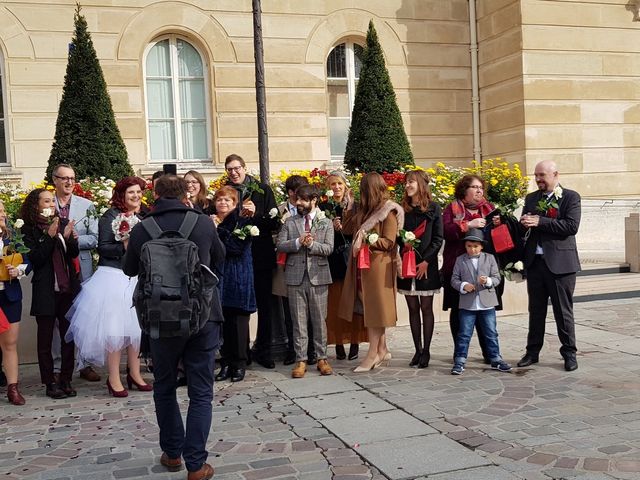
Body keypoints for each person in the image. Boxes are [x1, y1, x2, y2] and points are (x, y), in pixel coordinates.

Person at [123, 175, 224, 480]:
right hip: (202, 315)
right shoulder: (203, 224)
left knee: (164, 386)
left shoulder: (143, 228)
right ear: (185, 194)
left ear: (155, 195)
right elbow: (219, 260)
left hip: (160, 317)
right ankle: (196, 464)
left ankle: (171, 453)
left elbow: (129, 269)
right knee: (201, 391)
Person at [65, 177, 152, 397]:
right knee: (115, 330)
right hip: (113, 276)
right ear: (122, 194)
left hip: (136, 277)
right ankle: (113, 378)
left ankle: (134, 373)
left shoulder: (142, 216)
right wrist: (124, 244)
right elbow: (103, 248)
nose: (136, 196)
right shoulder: (110, 217)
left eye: (138, 192)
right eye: (131, 192)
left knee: (135, 329)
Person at [517, 160, 581, 372]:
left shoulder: (570, 197)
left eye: (542, 175)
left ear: (555, 174)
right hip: (535, 263)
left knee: (563, 311)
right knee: (535, 311)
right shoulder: (531, 198)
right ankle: (532, 352)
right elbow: (525, 225)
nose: (538, 179)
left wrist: (540, 221)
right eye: (536, 175)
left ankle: (569, 353)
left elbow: (571, 227)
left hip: (561, 264)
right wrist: (523, 222)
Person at [339, 172, 403, 372]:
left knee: (375, 311)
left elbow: (389, 242)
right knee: (370, 308)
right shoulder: (366, 211)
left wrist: (368, 239)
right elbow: (348, 229)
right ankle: (382, 349)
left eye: (363, 190)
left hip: (378, 268)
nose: (361, 194)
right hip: (363, 266)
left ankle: (372, 354)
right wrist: (349, 206)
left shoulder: (388, 211)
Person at [21, 188, 80, 399]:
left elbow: (72, 253)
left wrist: (70, 238)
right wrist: (49, 236)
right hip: (46, 290)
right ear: (36, 205)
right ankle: (49, 382)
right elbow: (36, 259)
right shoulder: (28, 230)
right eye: (46, 201)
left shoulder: (62, 222)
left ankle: (66, 379)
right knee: (45, 340)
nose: (51, 205)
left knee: (68, 338)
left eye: (52, 201)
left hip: (66, 288)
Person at [224, 154, 279, 369]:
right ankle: (240, 353)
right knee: (238, 308)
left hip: (260, 255)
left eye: (237, 168)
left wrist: (256, 215)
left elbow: (274, 222)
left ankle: (264, 350)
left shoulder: (262, 190)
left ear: (245, 168)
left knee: (264, 306)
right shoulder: (225, 192)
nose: (234, 172)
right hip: (235, 258)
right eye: (230, 169)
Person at [277, 184, 334, 378]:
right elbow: (280, 245)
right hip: (295, 277)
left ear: (314, 200)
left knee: (319, 320)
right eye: (297, 199)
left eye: (303, 200)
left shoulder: (325, 222)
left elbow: (328, 249)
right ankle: (300, 360)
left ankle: (321, 358)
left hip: (319, 276)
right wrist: (296, 242)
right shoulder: (290, 221)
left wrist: (312, 244)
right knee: (298, 321)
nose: (298, 203)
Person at [442, 174, 500, 363]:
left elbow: (496, 238)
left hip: (484, 270)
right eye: (474, 187)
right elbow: (446, 231)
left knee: (485, 311)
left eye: (481, 187)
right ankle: (460, 353)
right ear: (464, 190)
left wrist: (498, 224)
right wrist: (468, 225)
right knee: (459, 312)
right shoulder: (452, 208)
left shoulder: (488, 208)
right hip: (458, 270)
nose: (479, 190)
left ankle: (489, 354)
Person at [51, 163, 100, 383]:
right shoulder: (45, 203)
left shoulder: (87, 205)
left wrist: (74, 240)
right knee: (56, 318)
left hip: (81, 266)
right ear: (55, 180)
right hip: (55, 269)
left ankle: (85, 363)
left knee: (83, 315)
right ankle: (57, 364)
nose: (69, 182)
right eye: (64, 178)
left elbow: (95, 238)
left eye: (72, 178)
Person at [397, 170, 443, 368]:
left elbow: (437, 238)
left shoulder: (434, 208)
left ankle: (427, 351)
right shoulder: (401, 210)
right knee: (412, 308)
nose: (407, 185)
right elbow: (398, 236)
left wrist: (426, 261)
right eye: (406, 182)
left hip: (426, 266)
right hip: (406, 263)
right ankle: (417, 349)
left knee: (426, 308)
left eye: (411, 182)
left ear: (421, 185)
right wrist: (403, 244)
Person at [319, 171, 367, 361]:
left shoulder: (354, 206)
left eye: (339, 184)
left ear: (345, 185)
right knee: (335, 303)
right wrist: (330, 225)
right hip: (332, 261)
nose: (336, 187)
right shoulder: (324, 207)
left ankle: (355, 341)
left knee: (352, 301)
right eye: (332, 184)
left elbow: (361, 229)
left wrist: (346, 223)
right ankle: (338, 342)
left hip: (350, 258)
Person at [450, 228, 511, 375]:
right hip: (467, 304)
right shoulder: (460, 260)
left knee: (491, 332)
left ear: (482, 246)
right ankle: (460, 360)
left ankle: (496, 359)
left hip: (487, 303)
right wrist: (464, 286)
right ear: (465, 246)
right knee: (464, 333)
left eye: (475, 246)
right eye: (469, 246)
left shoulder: (489, 258)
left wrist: (489, 281)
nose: (472, 249)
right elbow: (454, 279)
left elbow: (497, 277)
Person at [213, 186, 256, 383]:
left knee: (238, 324)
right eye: (219, 200)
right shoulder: (210, 220)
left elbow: (235, 247)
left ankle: (239, 364)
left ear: (234, 203)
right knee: (223, 323)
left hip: (238, 276)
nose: (223, 203)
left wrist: (217, 232)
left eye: (227, 200)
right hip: (219, 277)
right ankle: (226, 362)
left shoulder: (242, 220)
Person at [273, 174, 316, 366]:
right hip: (287, 266)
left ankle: (312, 351)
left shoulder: (316, 213)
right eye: (297, 195)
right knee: (291, 312)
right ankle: (293, 349)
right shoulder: (280, 211)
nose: (300, 199)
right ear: (291, 193)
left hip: (311, 267)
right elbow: (276, 239)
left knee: (312, 312)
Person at [0, 200, 30, 405]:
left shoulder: (13, 235)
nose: (2, 214)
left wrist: (17, 270)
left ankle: (13, 388)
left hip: (9, 295)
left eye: (2, 209)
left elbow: (28, 260)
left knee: (10, 343)